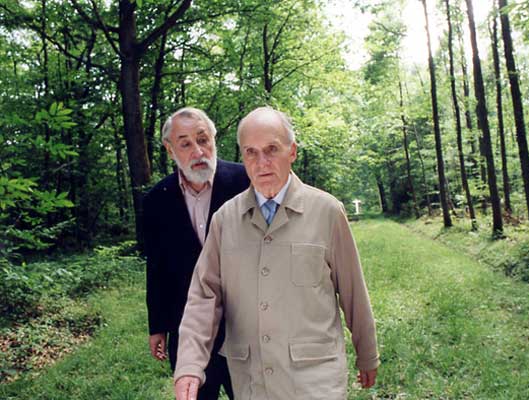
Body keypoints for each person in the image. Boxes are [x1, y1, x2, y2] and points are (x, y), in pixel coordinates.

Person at [174, 106, 379, 400]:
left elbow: (353, 292)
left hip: (315, 380)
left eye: (272, 149)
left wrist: (367, 354)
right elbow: (203, 298)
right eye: (251, 153)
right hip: (252, 383)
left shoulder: (327, 211)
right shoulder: (225, 220)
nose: (262, 163)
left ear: (292, 151)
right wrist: (190, 365)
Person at [144, 107, 250, 400]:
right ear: (170, 149)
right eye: (185, 143)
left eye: (203, 140)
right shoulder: (156, 200)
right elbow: (157, 268)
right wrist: (158, 327)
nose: (198, 151)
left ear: (215, 138)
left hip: (247, 326)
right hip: (188, 329)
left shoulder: (247, 182)